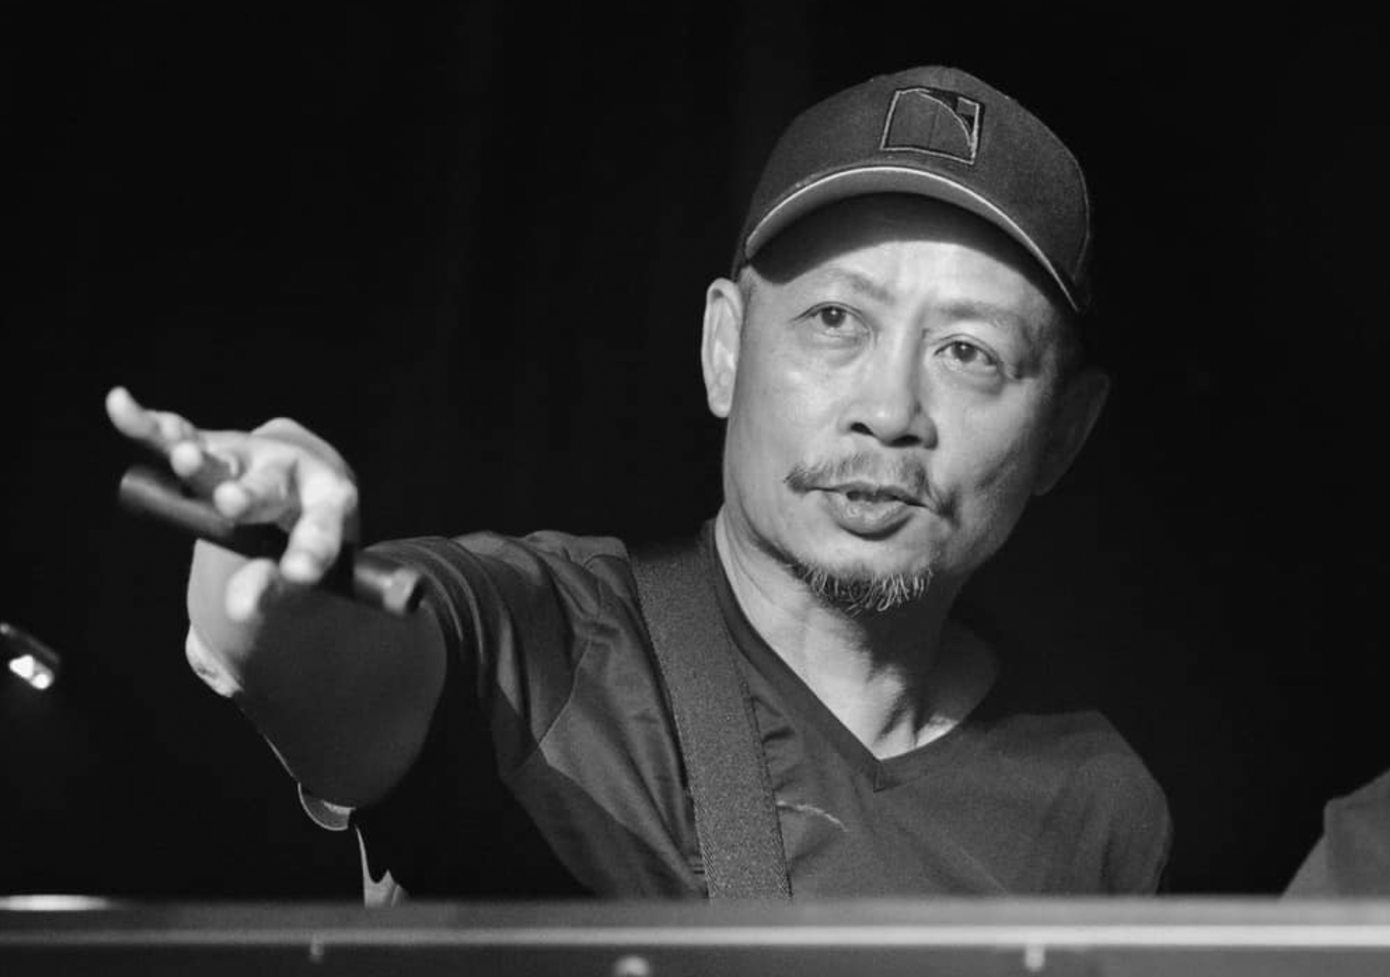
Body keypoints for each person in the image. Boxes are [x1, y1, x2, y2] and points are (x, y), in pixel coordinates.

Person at [107, 65, 1171, 899]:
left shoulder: (1096, 806)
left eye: (968, 352)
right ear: (725, 346)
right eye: (835, 319)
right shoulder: (538, 640)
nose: (889, 408)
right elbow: (314, 657)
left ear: (1065, 431)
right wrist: (261, 563)